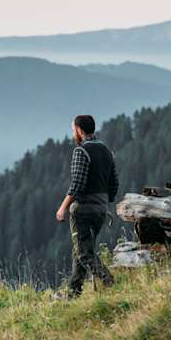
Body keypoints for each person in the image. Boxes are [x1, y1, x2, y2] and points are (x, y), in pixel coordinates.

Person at [55, 114, 118, 294]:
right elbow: (114, 183)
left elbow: (77, 184)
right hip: (101, 209)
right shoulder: (106, 151)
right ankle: (73, 292)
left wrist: (62, 208)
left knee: (84, 253)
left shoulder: (81, 151)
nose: (73, 133)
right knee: (81, 249)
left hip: (83, 209)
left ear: (79, 130)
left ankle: (109, 282)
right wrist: (104, 201)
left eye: (73, 129)